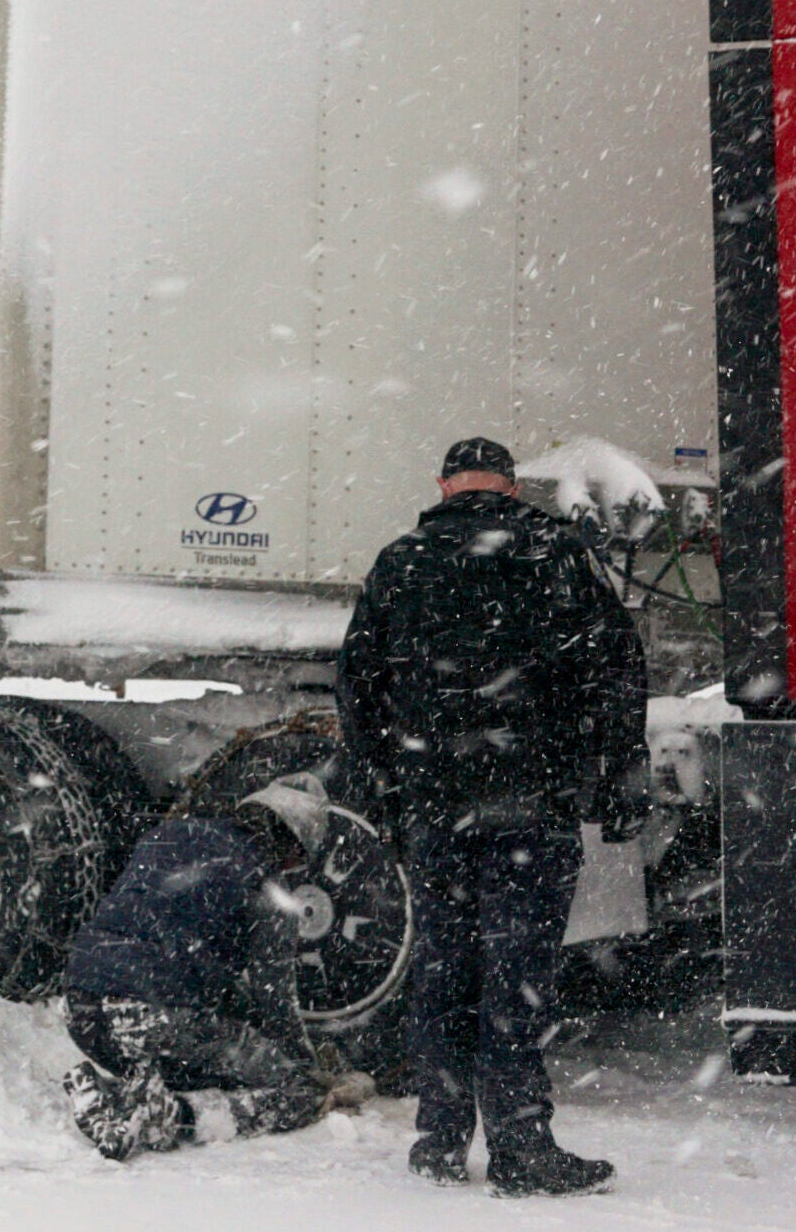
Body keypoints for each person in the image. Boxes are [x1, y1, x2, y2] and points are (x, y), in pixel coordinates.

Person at [337, 436, 646, 1197]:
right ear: (510, 488)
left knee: (443, 966)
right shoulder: (556, 554)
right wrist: (616, 775)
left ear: (444, 486)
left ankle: (439, 1138)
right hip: (529, 804)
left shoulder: (400, 562)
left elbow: (358, 684)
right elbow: (614, 668)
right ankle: (520, 1145)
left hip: (438, 810)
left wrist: (383, 784)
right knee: (517, 975)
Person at [59, 773, 377, 1160]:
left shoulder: (170, 834)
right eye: (298, 860)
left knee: (204, 1064)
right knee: (295, 1093)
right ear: (290, 843)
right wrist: (302, 1067)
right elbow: (274, 999)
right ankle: (173, 1117)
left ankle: (113, 1095)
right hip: (155, 1016)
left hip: (83, 1011)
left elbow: (162, 934)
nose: (293, 870)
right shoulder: (269, 889)